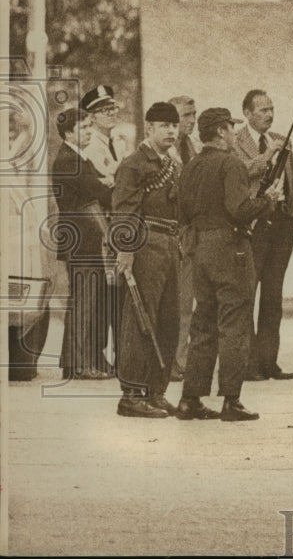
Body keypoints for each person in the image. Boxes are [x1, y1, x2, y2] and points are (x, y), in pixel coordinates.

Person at [176, 108, 281, 422]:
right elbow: (239, 209)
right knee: (234, 323)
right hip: (228, 248)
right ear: (221, 132)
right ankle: (231, 401)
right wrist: (268, 201)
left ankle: (190, 399)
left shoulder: (191, 166)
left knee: (203, 323)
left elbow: (182, 211)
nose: (235, 134)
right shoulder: (230, 163)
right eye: (231, 129)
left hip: (199, 247)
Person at [112, 102, 183, 419]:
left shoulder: (173, 164)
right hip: (144, 245)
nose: (170, 130)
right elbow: (125, 211)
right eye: (164, 125)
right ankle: (131, 394)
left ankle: (156, 391)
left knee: (169, 320)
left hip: (170, 244)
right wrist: (125, 253)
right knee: (141, 319)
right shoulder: (133, 165)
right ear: (149, 128)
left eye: (174, 125)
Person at [235, 89, 293, 380]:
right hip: (254, 224)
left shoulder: (281, 138)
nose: (269, 115)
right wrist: (266, 156)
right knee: (248, 292)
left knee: (274, 295)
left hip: (281, 223)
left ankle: (269, 361)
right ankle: (248, 365)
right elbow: (238, 173)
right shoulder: (236, 141)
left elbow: (291, 180)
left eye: (272, 109)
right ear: (247, 113)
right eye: (262, 110)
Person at [51, 106, 114, 380]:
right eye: (84, 127)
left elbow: (96, 186)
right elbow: (97, 191)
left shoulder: (78, 157)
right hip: (81, 241)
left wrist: (104, 182)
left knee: (87, 301)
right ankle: (79, 365)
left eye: (90, 126)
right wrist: (108, 181)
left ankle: (77, 362)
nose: (89, 131)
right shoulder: (69, 160)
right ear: (68, 133)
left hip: (85, 240)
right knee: (84, 303)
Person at [80, 84, 123, 375]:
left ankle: (112, 355)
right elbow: (103, 184)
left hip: (117, 222)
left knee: (115, 292)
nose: (110, 113)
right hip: (99, 224)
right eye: (102, 110)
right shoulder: (90, 146)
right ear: (92, 117)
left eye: (112, 108)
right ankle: (95, 356)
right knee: (100, 294)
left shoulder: (118, 142)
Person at [7, 105, 50, 381]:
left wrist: (25, 129)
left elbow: (22, 148)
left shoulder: (9, 169)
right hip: (12, 248)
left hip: (19, 250)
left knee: (28, 305)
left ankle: (22, 364)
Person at [167, 95, 199, 382]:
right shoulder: (164, 150)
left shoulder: (193, 146)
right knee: (173, 303)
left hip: (191, 235)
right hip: (169, 234)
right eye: (185, 115)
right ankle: (172, 360)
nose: (190, 120)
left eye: (193, 114)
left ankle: (181, 359)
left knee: (187, 302)